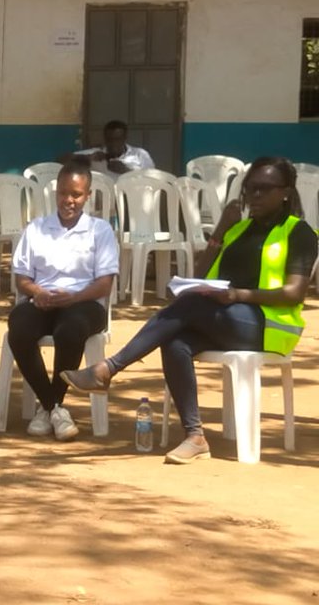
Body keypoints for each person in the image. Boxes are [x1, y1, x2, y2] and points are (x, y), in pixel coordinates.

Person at [62, 156, 317, 463]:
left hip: (270, 328)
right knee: (175, 341)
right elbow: (201, 275)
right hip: (229, 320)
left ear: (286, 192)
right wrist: (220, 232)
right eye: (250, 189)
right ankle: (195, 436)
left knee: (191, 305)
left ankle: (109, 367)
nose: (255, 196)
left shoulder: (299, 232)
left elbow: (294, 293)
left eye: (265, 189)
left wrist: (238, 294)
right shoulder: (239, 230)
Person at [6, 157, 119, 441]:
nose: (69, 200)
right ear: (55, 193)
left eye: (76, 195)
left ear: (88, 196)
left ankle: (49, 407)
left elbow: (104, 284)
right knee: (18, 326)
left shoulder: (100, 230)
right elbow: (22, 279)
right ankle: (54, 407)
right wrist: (38, 293)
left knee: (70, 330)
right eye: (64, 193)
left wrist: (75, 298)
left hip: (84, 303)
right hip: (43, 300)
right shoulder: (36, 228)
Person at [62, 120, 155, 175]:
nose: (114, 143)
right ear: (105, 139)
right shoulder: (97, 154)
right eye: (110, 139)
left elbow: (153, 179)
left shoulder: (139, 154)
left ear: (125, 138)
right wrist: (87, 158)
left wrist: (126, 171)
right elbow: (60, 159)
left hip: (132, 200)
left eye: (118, 139)